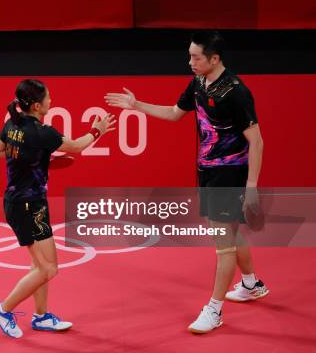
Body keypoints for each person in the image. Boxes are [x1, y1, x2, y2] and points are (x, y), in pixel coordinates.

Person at [105, 31, 268, 334]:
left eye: (196, 57)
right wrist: (136, 105)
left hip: (229, 174)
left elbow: (256, 141)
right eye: (190, 55)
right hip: (207, 171)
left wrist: (251, 186)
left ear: (214, 59)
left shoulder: (235, 92)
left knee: (222, 244)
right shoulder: (199, 83)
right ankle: (251, 284)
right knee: (229, 231)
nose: (189, 61)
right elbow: (174, 113)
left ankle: (214, 310)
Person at [0, 78, 116, 338]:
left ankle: (41, 316)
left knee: (41, 267)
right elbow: (78, 146)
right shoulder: (41, 132)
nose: (51, 101)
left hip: (29, 202)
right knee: (48, 269)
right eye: (48, 98)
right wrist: (97, 130)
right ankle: (2, 309)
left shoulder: (12, 123)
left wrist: (33, 162)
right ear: (36, 105)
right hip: (25, 206)